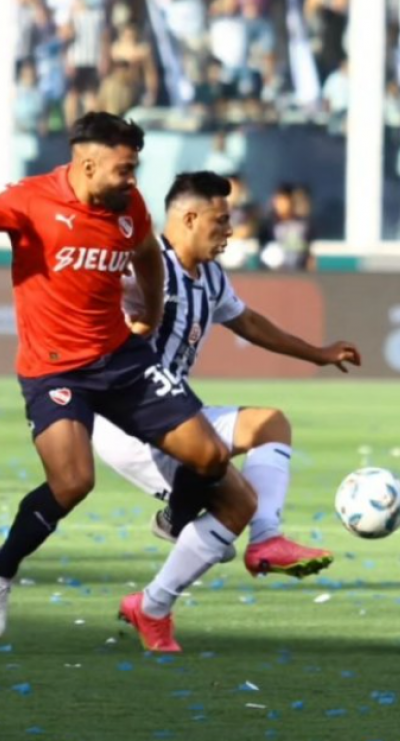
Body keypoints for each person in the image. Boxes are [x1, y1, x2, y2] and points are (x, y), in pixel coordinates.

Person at [0, 112, 256, 653]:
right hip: (54, 368)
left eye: (136, 168)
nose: (133, 180)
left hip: (120, 358)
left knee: (209, 456)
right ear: (87, 162)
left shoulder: (128, 205)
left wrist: (149, 316)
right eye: (124, 168)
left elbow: (149, 255)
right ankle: (0, 564)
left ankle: (175, 520)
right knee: (72, 482)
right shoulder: (29, 201)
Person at [93, 171, 361, 579]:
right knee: (234, 507)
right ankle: (167, 559)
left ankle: (262, 538)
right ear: (188, 219)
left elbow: (250, 323)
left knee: (270, 425)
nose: (231, 230)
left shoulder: (212, 277)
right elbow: (94, 290)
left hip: (178, 416)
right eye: (220, 220)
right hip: (131, 427)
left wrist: (317, 354)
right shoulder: (146, 267)